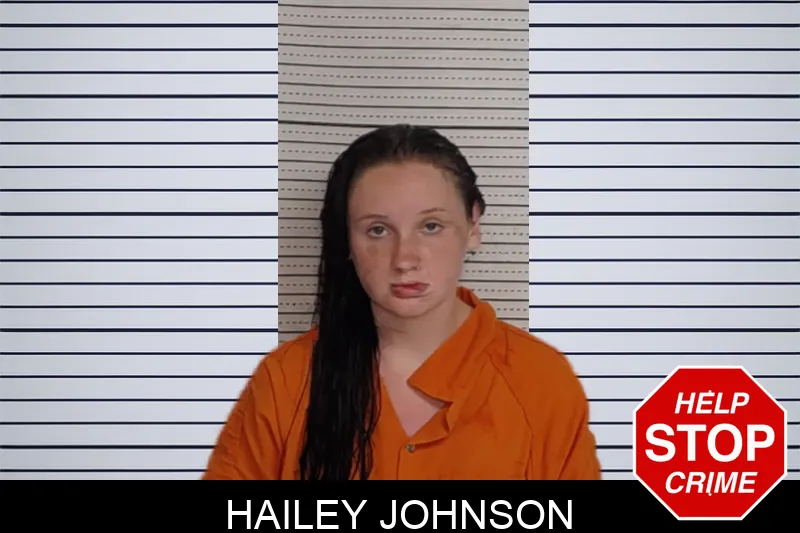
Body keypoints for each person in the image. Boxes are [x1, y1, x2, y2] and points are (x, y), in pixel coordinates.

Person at [202, 124, 602, 480]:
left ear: (473, 225)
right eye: (378, 230)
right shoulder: (285, 381)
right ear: (347, 240)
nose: (405, 259)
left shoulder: (542, 383)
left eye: (431, 226)